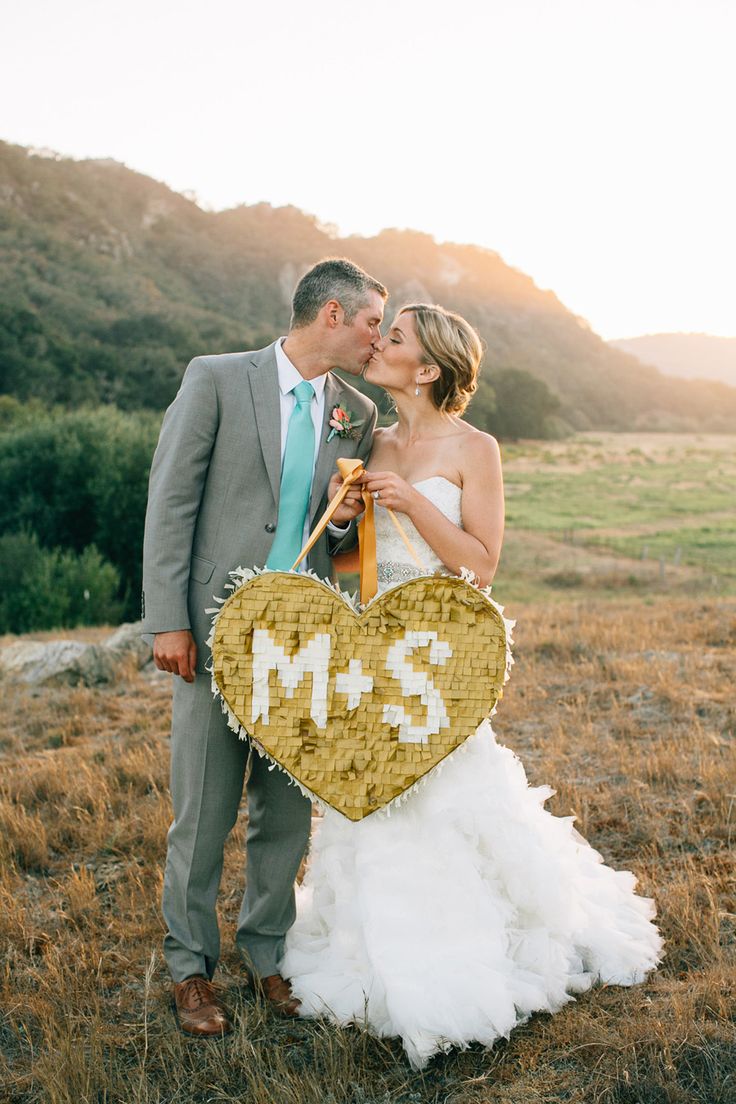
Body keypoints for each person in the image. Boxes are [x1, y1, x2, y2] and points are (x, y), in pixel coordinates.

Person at [280, 303, 663, 1068]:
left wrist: (413, 501)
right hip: (376, 643)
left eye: (393, 339)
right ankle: (372, 946)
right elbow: (352, 564)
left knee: (447, 796)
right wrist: (350, 518)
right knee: (373, 794)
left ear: (427, 369)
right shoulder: (369, 438)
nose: (376, 343)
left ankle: (461, 955)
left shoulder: (475, 448)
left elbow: (480, 566)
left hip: (441, 650)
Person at [141, 257, 386, 1036]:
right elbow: (171, 498)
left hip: (302, 645)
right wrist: (167, 621)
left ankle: (268, 956)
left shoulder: (359, 413)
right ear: (334, 317)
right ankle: (190, 972)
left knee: (284, 816)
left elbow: (344, 549)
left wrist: (344, 523)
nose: (381, 339)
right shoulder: (216, 378)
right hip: (212, 635)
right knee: (203, 813)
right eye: (375, 323)